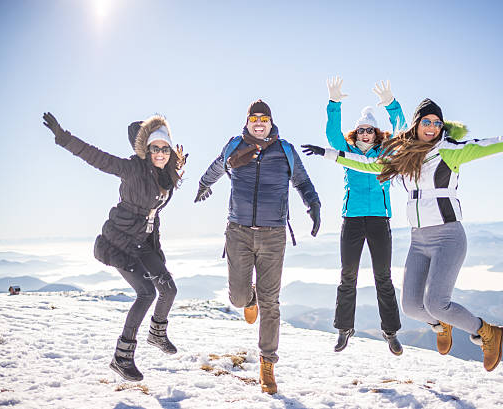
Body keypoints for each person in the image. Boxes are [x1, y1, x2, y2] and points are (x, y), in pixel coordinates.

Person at [302, 99, 503, 371]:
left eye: (437, 123)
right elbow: (369, 165)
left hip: (448, 236)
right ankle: (442, 327)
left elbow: (490, 144)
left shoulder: (450, 151)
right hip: (419, 241)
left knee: (436, 303)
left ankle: (487, 333)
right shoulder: (403, 155)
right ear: (417, 125)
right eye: (426, 122)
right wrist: (328, 154)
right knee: (411, 307)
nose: (432, 127)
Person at [42, 112, 188, 381]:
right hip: (121, 242)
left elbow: (161, 195)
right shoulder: (132, 168)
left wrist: (177, 167)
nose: (160, 153)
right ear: (146, 149)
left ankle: (156, 334)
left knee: (168, 288)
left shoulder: (165, 173)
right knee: (146, 293)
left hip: (144, 242)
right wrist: (64, 139)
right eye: (155, 148)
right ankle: (122, 358)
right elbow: (96, 157)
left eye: (164, 148)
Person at [194, 99, 321, 394]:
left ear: (271, 122)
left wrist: (313, 204)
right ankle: (247, 299)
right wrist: (204, 184)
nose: (259, 122)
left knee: (271, 302)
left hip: (274, 234)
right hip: (238, 232)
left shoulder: (285, 150)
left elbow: (302, 182)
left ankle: (267, 364)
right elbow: (216, 167)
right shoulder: (234, 146)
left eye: (264, 118)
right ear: (248, 121)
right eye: (255, 118)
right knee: (238, 298)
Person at [325, 77, 406, 355]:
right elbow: (332, 135)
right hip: (353, 220)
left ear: (375, 133)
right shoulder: (346, 152)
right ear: (356, 133)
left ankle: (391, 331)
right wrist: (334, 103)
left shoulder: (386, 153)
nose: (365, 134)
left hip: (379, 221)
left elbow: (401, 131)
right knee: (348, 275)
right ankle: (344, 328)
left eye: (369, 130)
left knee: (383, 276)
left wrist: (391, 105)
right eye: (361, 130)